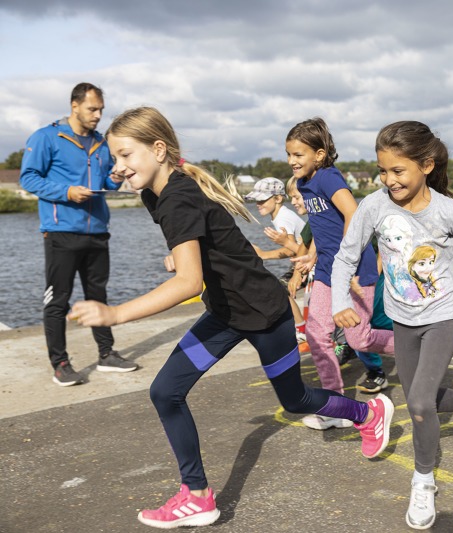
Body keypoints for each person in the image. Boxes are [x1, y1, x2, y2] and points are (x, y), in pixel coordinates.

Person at [67, 107, 394, 529]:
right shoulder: (158, 193)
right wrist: (182, 251)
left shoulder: (178, 195)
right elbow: (198, 247)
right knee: (166, 392)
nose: (120, 167)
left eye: (127, 155)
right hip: (226, 313)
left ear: (159, 150)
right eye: (115, 159)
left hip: (263, 314)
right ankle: (198, 496)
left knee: (294, 400)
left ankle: (369, 415)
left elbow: (188, 282)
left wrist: (115, 313)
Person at [331, 120, 453, 530]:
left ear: (426, 164)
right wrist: (338, 301)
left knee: (420, 404)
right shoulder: (374, 206)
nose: (389, 180)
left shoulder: (448, 210)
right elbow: (344, 257)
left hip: (443, 316)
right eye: (383, 170)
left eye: (397, 171)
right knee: (422, 398)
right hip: (403, 319)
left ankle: (423, 481)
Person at [19, 82, 138, 386]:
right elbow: (29, 178)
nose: (98, 115)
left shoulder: (100, 142)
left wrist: (114, 177)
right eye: (92, 109)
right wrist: (67, 192)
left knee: (98, 296)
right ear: (75, 106)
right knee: (57, 301)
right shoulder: (47, 137)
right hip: (61, 233)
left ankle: (107, 354)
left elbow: (108, 184)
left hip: (98, 231)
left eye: (101, 109)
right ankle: (60, 364)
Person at [285, 117, 394, 430]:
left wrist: (347, 266)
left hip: (354, 271)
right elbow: (324, 227)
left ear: (319, 154)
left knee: (359, 339)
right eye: (289, 154)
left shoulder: (329, 178)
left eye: (298, 154)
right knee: (317, 336)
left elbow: (353, 215)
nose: (292, 161)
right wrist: (313, 256)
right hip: (326, 272)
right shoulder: (305, 184)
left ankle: (415, 342)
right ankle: (335, 406)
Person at [244, 176, 307, 344]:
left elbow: (290, 248)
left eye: (262, 200)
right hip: (301, 262)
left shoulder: (282, 218)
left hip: (307, 264)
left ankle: (301, 330)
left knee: (279, 290)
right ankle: (300, 328)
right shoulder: (281, 215)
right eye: (256, 200)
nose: (258, 204)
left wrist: (263, 254)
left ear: (278, 199)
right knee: (280, 289)